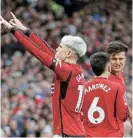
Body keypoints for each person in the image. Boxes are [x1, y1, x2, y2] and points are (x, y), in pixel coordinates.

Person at [0, 13, 87, 137]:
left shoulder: (66, 71)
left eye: (60, 47)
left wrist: (13, 30)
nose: (56, 49)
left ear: (68, 54)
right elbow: (46, 48)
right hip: (73, 132)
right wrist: (24, 30)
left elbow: (37, 52)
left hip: (68, 134)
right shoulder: (75, 70)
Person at [82, 52, 129, 137]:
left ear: (92, 69)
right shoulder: (117, 87)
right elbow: (123, 115)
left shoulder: (83, 88)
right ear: (108, 67)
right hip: (111, 135)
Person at [106, 41, 132, 136]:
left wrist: (131, 118)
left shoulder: (119, 74)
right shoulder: (106, 80)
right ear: (108, 59)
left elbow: (124, 100)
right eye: (114, 59)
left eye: (121, 59)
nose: (118, 62)